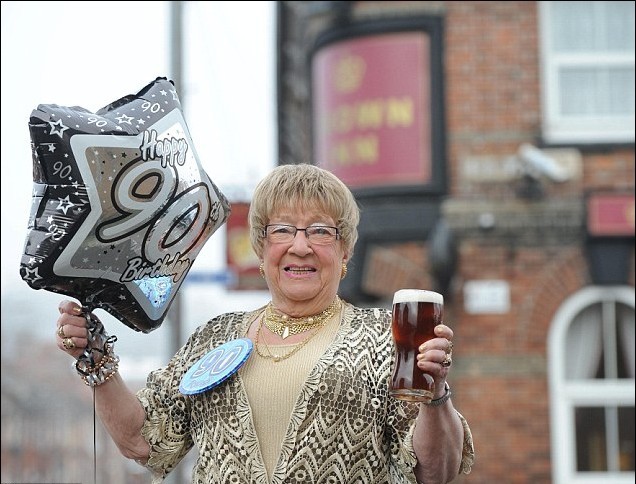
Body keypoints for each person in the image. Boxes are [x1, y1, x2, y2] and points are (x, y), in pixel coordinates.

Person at [56, 163, 474, 484]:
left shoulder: (388, 339)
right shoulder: (214, 336)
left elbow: (433, 471)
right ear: (261, 248)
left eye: (320, 231)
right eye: (282, 230)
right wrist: (96, 362)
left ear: (345, 251)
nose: (300, 246)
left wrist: (435, 397)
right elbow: (145, 441)